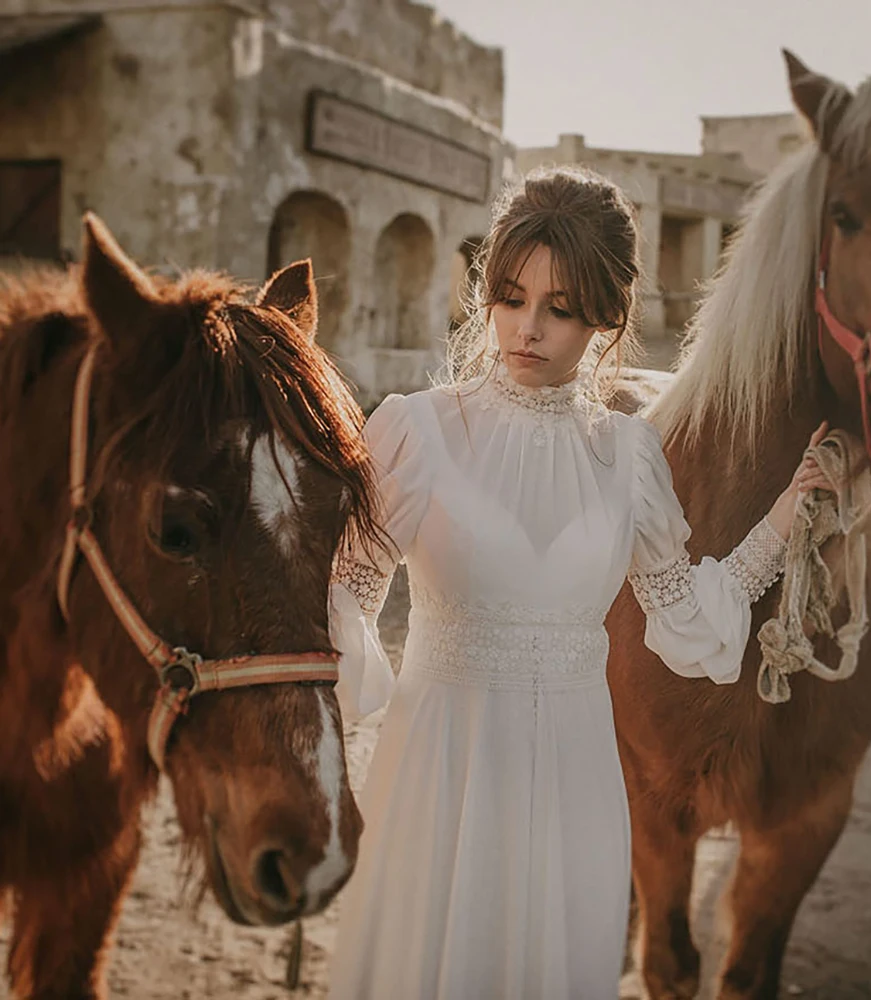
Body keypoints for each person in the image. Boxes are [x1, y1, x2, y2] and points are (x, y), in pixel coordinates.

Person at [325, 166, 830, 1000]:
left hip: (575, 778)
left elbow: (684, 613)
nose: (527, 328)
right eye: (512, 297)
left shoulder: (630, 458)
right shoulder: (415, 431)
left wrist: (784, 516)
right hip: (441, 769)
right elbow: (344, 596)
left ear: (607, 315)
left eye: (560, 310)